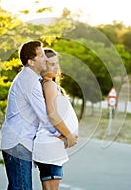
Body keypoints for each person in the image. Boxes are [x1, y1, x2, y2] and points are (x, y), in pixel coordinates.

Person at [0, 41, 78, 190]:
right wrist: (67, 135)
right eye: (41, 56)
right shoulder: (29, 81)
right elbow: (47, 117)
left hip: (20, 142)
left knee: (18, 187)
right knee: (22, 187)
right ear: (30, 61)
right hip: (18, 142)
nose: (45, 59)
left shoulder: (32, 79)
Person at [33, 48, 79, 190]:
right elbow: (52, 114)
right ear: (43, 66)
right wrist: (68, 135)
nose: (57, 67)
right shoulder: (48, 85)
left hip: (51, 145)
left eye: (57, 63)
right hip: (50, 146)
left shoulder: (48, 84)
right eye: (52, 64)